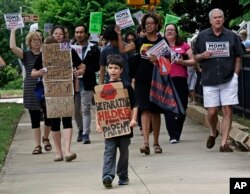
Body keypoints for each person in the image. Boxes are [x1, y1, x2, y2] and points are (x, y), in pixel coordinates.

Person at [32, 26, 85, 161]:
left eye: (61, 34)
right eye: (56, 33)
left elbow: (81, 66)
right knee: (54, 122)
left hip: (66, 90)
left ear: (64, 36)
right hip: (51, 92)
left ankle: (67, 151)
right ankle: (58, 152)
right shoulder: (44, 53)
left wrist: (78, 72)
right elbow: (33, 72)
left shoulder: (69, 50)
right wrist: (40, 73)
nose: (58, 36)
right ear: (52, 35)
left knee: (67, 120)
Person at [193, 8, 243, 152]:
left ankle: (224, 143)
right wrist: (202, 55)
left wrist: (235, 75)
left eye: (220, 17)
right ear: (210, 20)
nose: (218, 19)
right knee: (213, 111)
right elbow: (195, 57)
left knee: (228, 110)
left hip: (228, 79)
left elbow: (238, 56)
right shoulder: (202, 36)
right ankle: (213, 132)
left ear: (223, 19)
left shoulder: (231, 36)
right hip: (209, 78)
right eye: (215, 17)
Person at [115, 13, 163, 155]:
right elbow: (122, 50)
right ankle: (145, 143)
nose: (149, 26)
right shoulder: (140, 41)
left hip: (157, 79)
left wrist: (158, 60)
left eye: (151, 23)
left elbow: (169, 61)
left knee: (155, 111)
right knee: (145, 109)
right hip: (142, 79)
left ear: (156, 25)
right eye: (146, 23)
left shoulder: (162, 41)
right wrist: (119, 34)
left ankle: (156, 142)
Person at [96, 54, 138, 188]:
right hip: (109, 127)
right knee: (109, 151)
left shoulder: (126, 86)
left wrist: (133, 119)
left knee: (124, 153)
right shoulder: (103, 87)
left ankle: (123, 175)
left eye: (115, 68)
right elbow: (100, 108)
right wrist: (98, 123)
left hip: (125, 126)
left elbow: (135, 105)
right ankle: (107, 175)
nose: (113, 70)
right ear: (107, 69)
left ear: (121, 70)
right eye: (110, 67)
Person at [10, 28, 52, 155]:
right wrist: (13, 31)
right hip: (31, 88)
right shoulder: (25, 55)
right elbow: (12, 47)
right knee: (34, 118)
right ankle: (37, 145)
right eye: (34, 40)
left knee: (49, 116)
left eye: (38, 40)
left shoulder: (47, 53)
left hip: (46, 87)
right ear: (29, 42)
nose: (36, 42)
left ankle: (45, 138)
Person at [163, 23, 196, 144]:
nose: (170, 32)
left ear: (176, 32)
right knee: (168, 108)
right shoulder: (161, 46)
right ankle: (172, 135)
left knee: (182, 107)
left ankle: (177, 131)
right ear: (164, 33)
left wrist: (183, 62)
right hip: (166, 80)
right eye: (167, 30)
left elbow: (193, 61)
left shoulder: (184, 45)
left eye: (172, 30)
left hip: (180, 79)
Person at [73, 24, 100, 143]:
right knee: (76, 110)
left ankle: (86, 133)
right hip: (73, 83)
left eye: (81, 32)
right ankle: (80, 130)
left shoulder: (93, 48)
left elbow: (97, 66)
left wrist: (85, 69)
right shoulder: (69, 48)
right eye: (77, 32)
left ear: (86, 34)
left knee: (85, 108)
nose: (79, 35)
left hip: (87, 82)